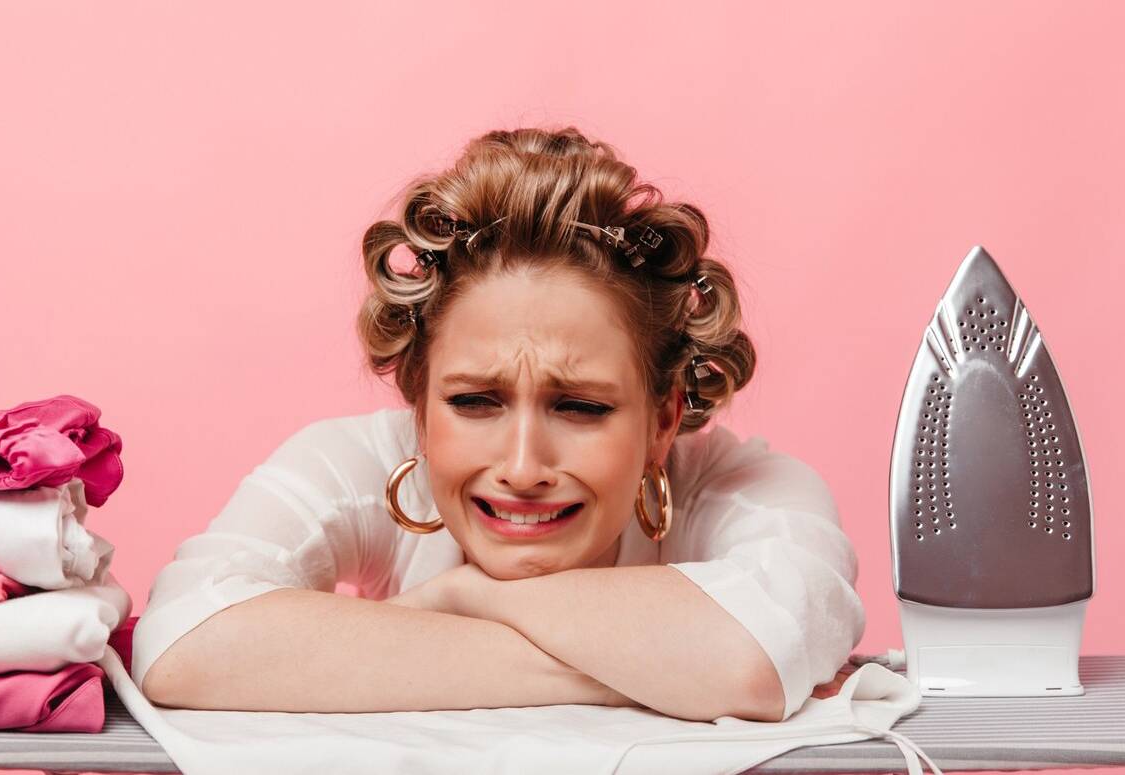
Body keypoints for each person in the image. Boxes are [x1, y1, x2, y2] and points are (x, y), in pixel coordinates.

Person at [130, 126, 865, 724]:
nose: (521, 465)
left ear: (665, 417)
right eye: (475, 401)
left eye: (580, 406)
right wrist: (650, 672)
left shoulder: (747, 485)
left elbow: (757, 657)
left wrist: (469, 595)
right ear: (417, 402)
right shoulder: (344, 463)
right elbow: (183, 639)